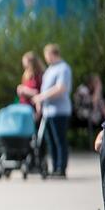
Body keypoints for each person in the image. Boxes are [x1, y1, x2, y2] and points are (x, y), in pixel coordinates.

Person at [33, 44, 73, 178]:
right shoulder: (50, 69)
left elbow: (60, 88)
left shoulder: (63, 68)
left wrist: (41, 97)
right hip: (48, 111)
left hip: (59, 111)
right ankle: (55, 166)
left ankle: (61, 168)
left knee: (59, 140)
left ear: (52, 54)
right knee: (51, 142)